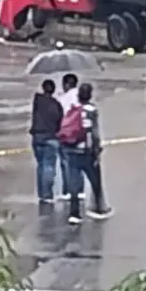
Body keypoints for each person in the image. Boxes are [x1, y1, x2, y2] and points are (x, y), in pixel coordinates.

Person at [62, 83, 111, 223]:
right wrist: (97, 148)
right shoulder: (92, 110)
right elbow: (94, 132)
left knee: (74, 182)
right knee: (95, 180)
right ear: (90, 95)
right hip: (87, 152)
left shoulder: (73, 109)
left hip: (72, 150)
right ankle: (98, 208)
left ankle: (74, 213)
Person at [30, 79, 65, 204]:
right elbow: (60, 122)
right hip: (50, 137)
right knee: (49, 166)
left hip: (37, 137)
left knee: (41, 166)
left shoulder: (37, 101)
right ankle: (47, 194)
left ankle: (41, 194)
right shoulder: (56, 105)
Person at [56, 74, 81, 202]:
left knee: (66, 163)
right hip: (80, 134)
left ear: (66, 84)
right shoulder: (80, 96)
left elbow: (59, 115)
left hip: (66, 134)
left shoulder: (63, 98)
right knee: (79, 162)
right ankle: (80, 190)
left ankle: (68, 191)